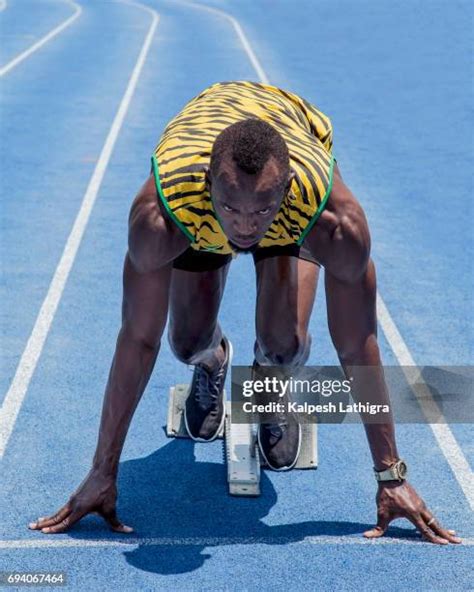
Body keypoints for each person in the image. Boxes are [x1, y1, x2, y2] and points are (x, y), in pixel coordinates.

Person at [28, 81, 460, 544]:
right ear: (209, 184)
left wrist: (390, 475)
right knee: (185, 342)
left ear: (288, 189)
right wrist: (102, 470)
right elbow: (138, 338)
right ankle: (215, 365)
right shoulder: (165, 213)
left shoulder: (331, 218)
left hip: (286, 206)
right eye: (233, 209)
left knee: (284, 345)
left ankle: (269, 389)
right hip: (204, 199)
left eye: (261, 211)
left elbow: (356, 342)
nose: (247, 226)